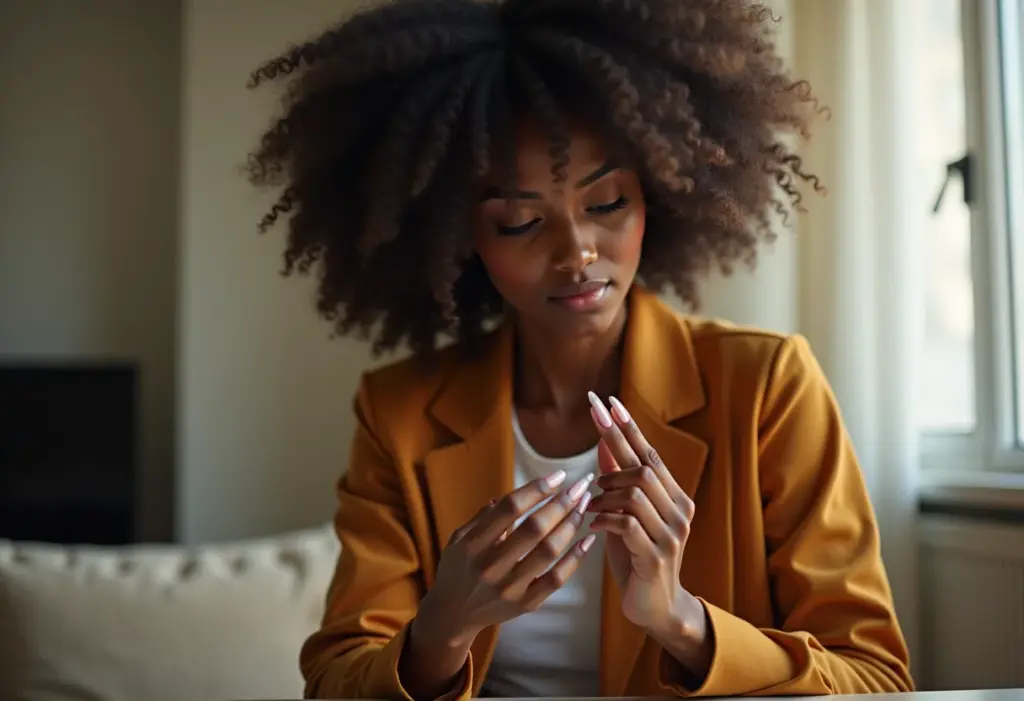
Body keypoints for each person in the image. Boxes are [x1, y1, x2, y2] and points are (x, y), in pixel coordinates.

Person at [245, 0, 914, 698]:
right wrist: (441, 628)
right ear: (455, 238)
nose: (576, 253)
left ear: (657, 194)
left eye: (607, 204)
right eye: (520, 221)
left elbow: (876, 680)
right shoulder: (399, 411)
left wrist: (680, 620)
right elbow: (334, 684)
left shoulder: (767, 386)